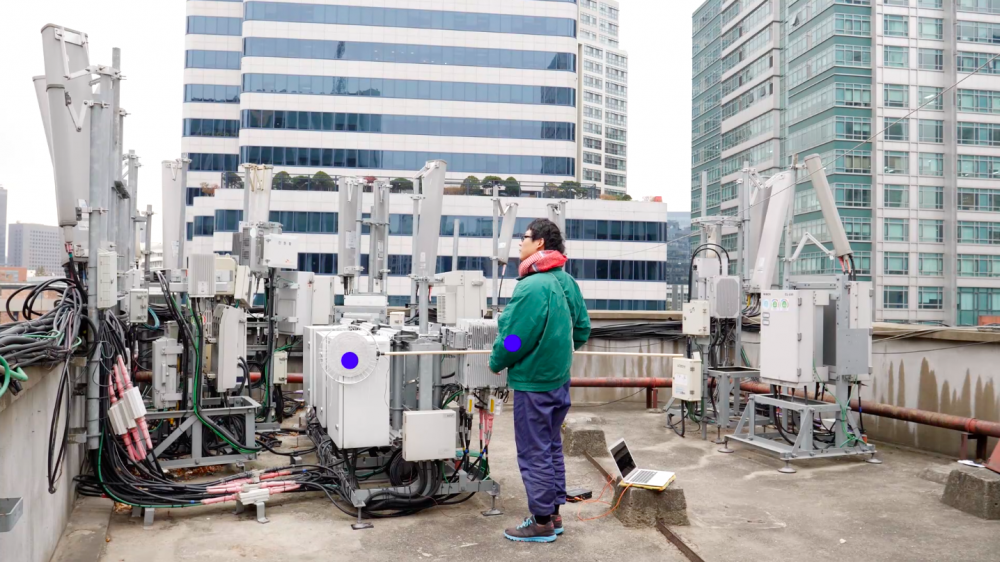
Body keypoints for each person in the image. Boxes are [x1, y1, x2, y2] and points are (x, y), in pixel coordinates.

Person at [489, 218, 591, 543]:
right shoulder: (566, 281)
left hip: (533, 383)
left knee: (534, 451)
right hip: (559, 380)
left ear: (540, 244)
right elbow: (582, 329)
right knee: (550, 447)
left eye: (526, 237)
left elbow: (515, 339)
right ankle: (554, 514)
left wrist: (496, 362)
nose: (521, 243)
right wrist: (558, 351)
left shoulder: (531, 286)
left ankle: (542, 521)